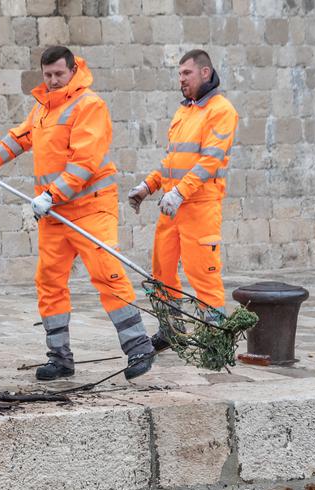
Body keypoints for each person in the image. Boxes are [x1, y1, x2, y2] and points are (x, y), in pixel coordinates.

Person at [0, 45, 154, 381]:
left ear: (73, 70)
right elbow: (19, 137)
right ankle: (60, 358)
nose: (53, 80)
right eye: (48, 75)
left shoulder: (89, 105)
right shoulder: (43, 108)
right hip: (53, 213)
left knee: (106, 272)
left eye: (59, 74)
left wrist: (52, 194)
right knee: (49, 282)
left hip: (90, 208)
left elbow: (84, 163)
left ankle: (139, 345)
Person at [127, 49, 238, 351]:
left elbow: (210, 161)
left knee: (203, 273)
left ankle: (216, 339)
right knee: (162, 270)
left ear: (205, 72)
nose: (181, 80)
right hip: (171, 207)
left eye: (186, 74)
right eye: (179, 75)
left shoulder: (221, 110)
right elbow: (172, 162)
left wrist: (179, 192)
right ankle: (171, 330)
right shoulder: (184, 111)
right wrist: (148, 186)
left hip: (199, 207)